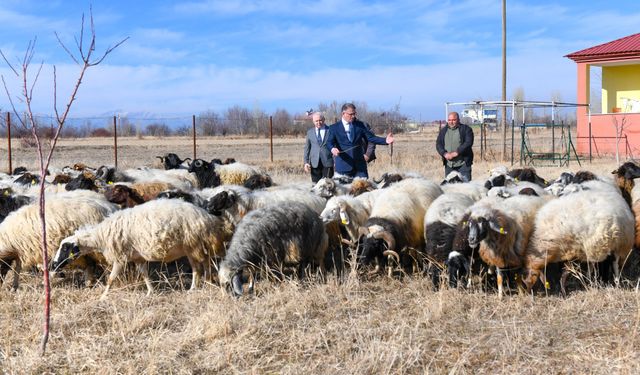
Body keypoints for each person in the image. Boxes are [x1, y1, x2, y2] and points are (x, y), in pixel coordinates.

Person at [326, 103, 394, 178]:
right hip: (343, 166)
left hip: (360, 167)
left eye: (354, 113)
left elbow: (371, 138)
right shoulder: (333, 128)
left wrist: (385, 140)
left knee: (364, 188)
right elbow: (329, 142)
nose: (353, 116)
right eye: (351, 114)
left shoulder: (360, 125)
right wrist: (332, 149)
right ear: (343, 113)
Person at [436, 111, 474, 181]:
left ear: (458, 120)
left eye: (454, 120)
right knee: (450, 187)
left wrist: (457, 152)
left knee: (466, 187)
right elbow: (438, 144)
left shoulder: (466, 129)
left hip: (463, 164)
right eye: (449, 120)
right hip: (449, 165)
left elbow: (468, 143)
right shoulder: (443, 131)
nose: (451, 122)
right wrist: (444, 153)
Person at [303, 112, 334, 182]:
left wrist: (335, 161)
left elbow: (335, 146)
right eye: (316, 121)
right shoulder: (310, 132)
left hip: (328, 162)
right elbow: (307, 148)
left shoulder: (330, 130)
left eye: (320, 120)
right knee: (315, 186)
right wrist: (306, 162)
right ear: (313, 122)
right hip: (314, 163)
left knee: (328, 185)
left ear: (324, 120)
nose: (318, 122)